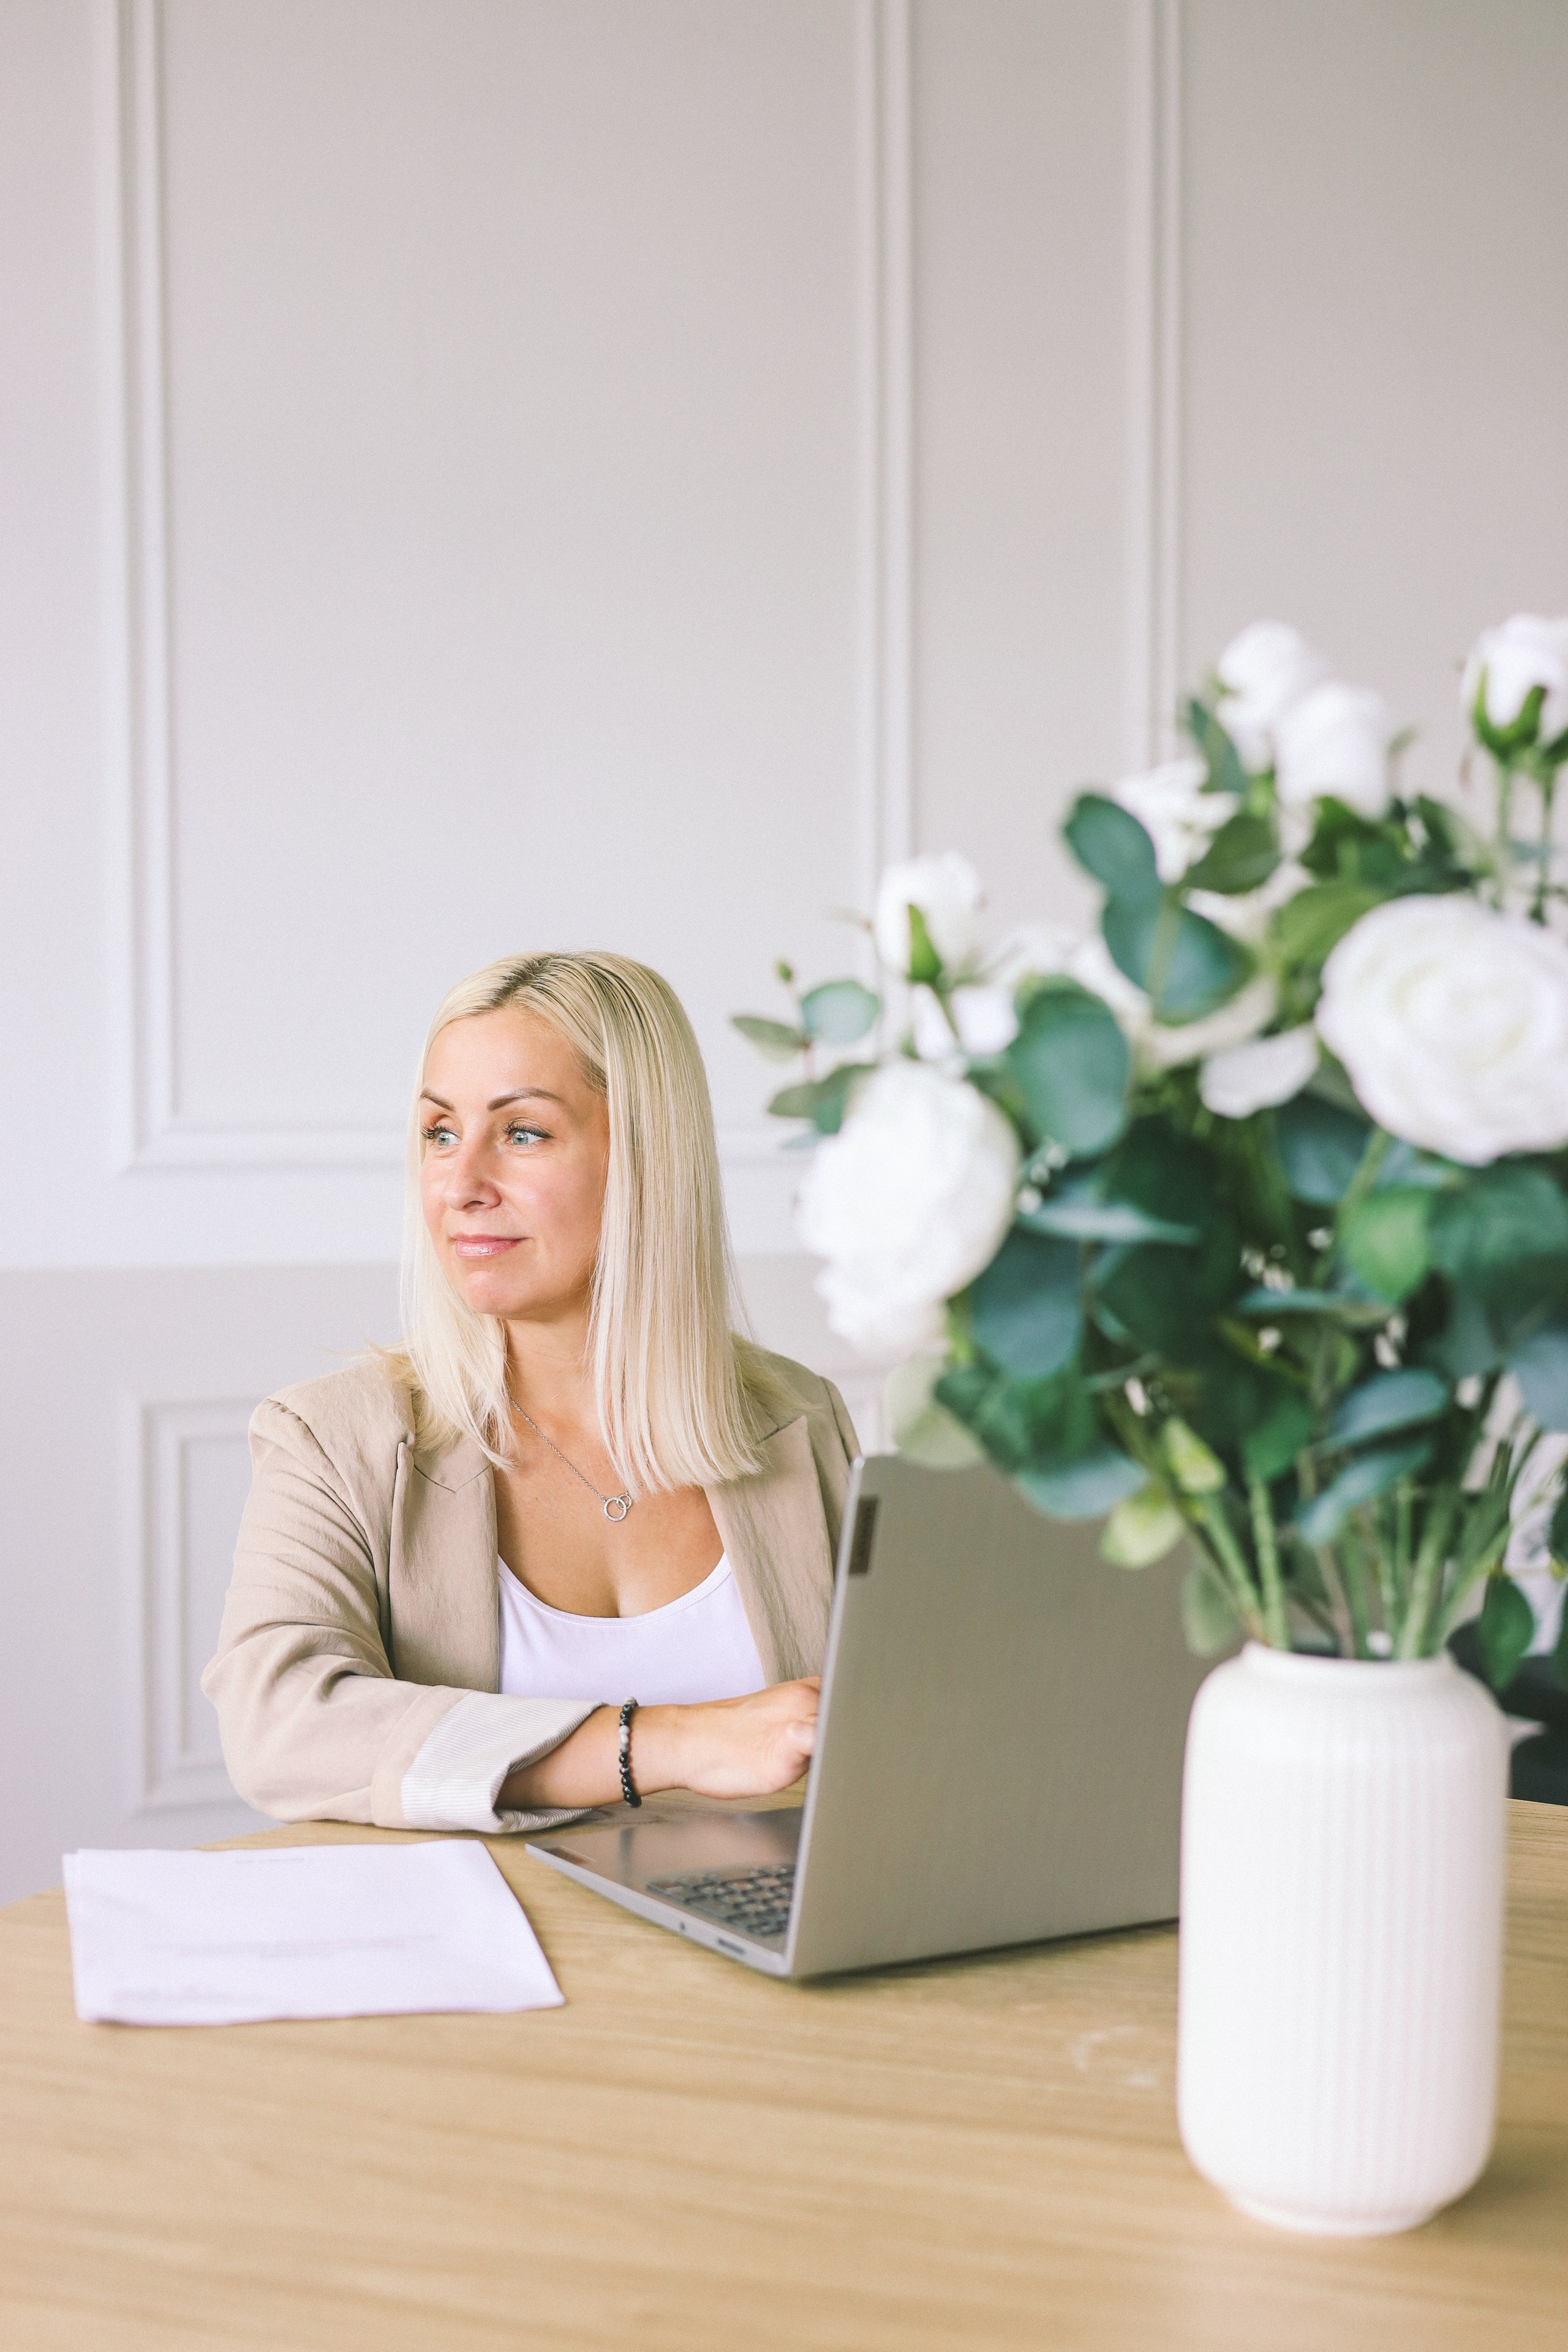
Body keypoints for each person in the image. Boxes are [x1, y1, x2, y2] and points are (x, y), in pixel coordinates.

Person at [203, 952, 857, 1836]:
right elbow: (280, 1727)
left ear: (643, 1160)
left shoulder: (800, 1422)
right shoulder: (331, 1439)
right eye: (439, 1133)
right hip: (483, 1958)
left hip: (761, 1958)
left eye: (521, 1133)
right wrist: (661, 1744)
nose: (461, 1184)